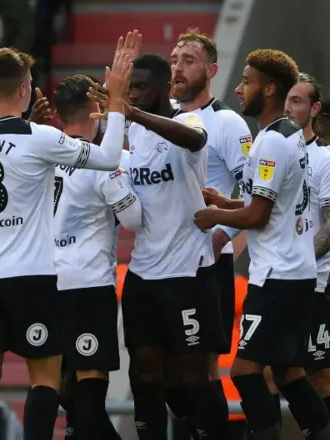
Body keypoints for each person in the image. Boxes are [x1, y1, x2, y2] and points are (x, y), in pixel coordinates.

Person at [0, 46, 133, 440]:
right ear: (25, 89)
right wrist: (118, 100)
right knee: (44, 379)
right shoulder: (38, 137)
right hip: (33, 278)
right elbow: (109, 157)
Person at [194, 49, 330, 440]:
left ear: (269, 88)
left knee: (244, 372)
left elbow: (257, 217)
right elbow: (273, 205)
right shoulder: (288, 136)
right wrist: (228, 202)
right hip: (295, 272)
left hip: (277, 276)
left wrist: (215, 217)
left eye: (247, 81)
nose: (239, 90)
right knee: (289, 373)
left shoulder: (271, 143)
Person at [89, 46, 228, 440]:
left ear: (165, 88)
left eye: (141, 88)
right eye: (128, 89)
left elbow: (194, 141)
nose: (131, 94)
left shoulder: (189, 119)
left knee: (192, 372)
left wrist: (134, 114)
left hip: (188, 271)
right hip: (144, 271)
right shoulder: (132, 131)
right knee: (144, 369)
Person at [168, 27, 252, 436]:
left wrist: (223, 240)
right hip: (158, 264)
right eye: (175, 60)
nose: (178, 67)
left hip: (204, 265)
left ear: (211, 69)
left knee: (200, 368)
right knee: (158, 368)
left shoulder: (227, 123)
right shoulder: (162, 117)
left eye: (188, 60)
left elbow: (259, 201)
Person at [52, 74, 143, 440]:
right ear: (96, 111)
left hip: (44, 282)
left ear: (58, 116)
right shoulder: (100, 162)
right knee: (90, 388)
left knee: (60, 389)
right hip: (87, 286)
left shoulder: (40, 157)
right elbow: (133, 220)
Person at [285, 73, 330, 440]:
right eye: (286, 99)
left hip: (315, 284)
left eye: (297, 100)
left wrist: (301, 260)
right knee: (261, 371)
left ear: (314, 109)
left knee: (320, 375)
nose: (289, 107)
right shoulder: (271, 151)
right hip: (277, 282)